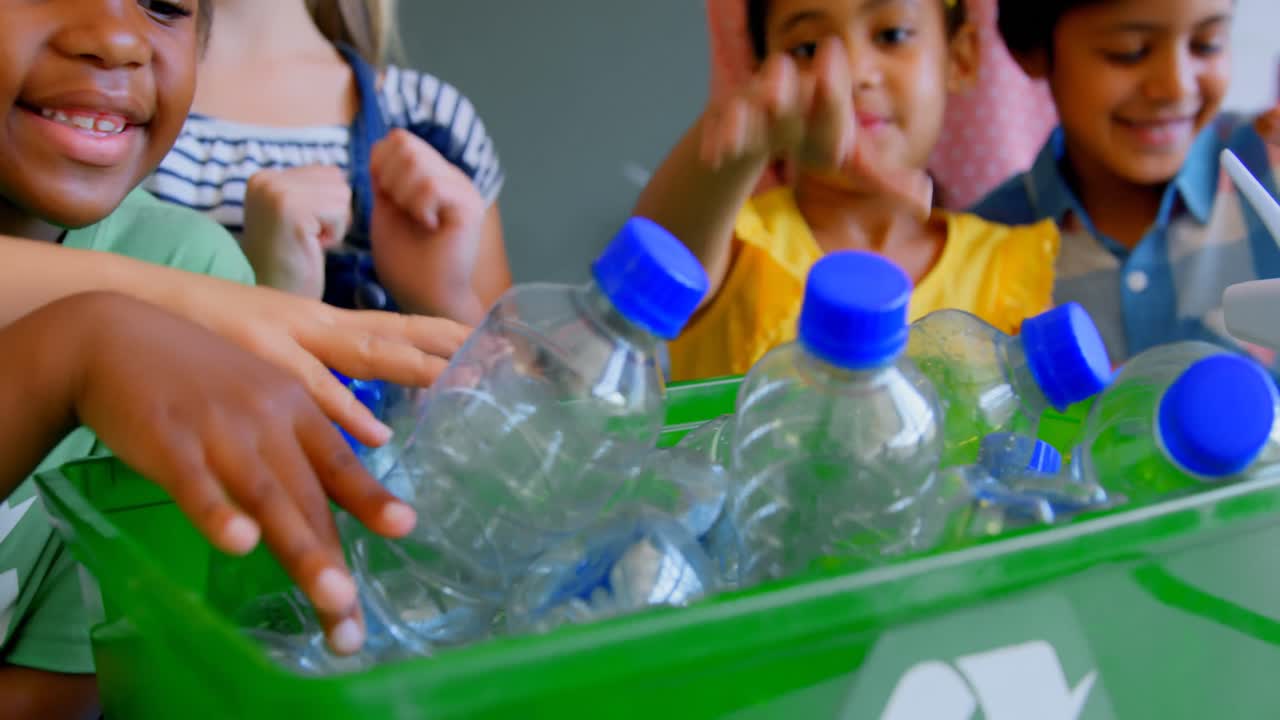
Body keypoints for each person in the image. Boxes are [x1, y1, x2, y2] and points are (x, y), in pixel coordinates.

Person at [636, 0, 1061, 381]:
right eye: (807, 49)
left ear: (961, 58)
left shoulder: (1019, 267)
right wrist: (747, 138)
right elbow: (654, 262)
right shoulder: (732, 241)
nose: (852, 74)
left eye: (891, 36)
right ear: (760, 71)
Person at [145, 0, 509, 324]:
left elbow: (515, 389)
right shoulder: (120, 109)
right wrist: (272, 305)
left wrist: (445, 305)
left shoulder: (433, 119)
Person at [973, 0, 1280, 365]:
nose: (1176, 88)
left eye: (1206, 43)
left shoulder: (1269, 170)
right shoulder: (979, 251)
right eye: (1129, 52)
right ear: (1033, 49)